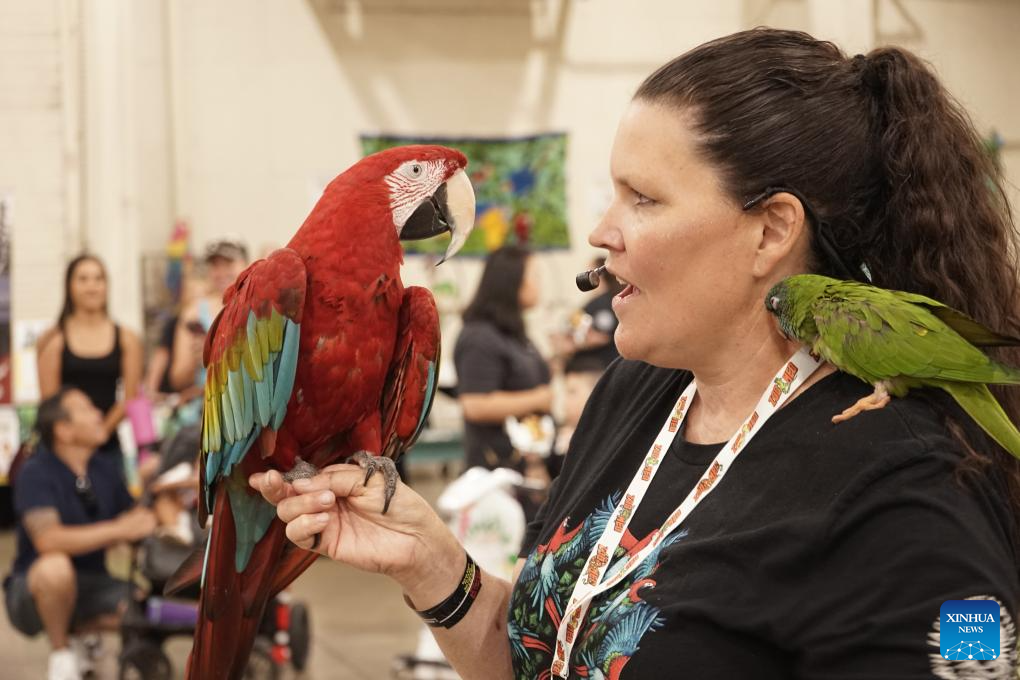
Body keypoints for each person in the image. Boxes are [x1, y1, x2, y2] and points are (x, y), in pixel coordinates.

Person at [249, 28, 1020, 679]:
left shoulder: (904, 489)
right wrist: (432, 565)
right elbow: (544, 655)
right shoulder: (638, 393)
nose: (600, 230)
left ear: (771, 231)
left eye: (642, 199)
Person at [3, 388, 156, 680]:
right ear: (63, 429)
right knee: (55, 568)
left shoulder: (105, 469)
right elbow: (48, 540)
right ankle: (62, 656)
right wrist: (119, 530)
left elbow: (132, 519)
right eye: (87, 409)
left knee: (144, 606)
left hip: (93, 584)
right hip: (33, 589)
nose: (99, 413)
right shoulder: (35, 471)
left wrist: (155, 488)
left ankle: (80, 633)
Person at [37, 255, 143, 468]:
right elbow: (50, 403)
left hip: (107, 444)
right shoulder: (53, 340)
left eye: (98, 279)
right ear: (69, 286)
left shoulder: (127, 339)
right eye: (83, 279)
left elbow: (130, 398)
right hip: (63, 446)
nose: (91, 286)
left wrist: (101, 431)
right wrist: (78, 435)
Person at [453, 245, 553, 473]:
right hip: (495, 468)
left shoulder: (511, 331)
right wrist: (538, 398)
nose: (538, 284)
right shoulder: (480, 336)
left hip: (526, 462)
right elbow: (474, 404)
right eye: (533, 276)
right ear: (512, 281)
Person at [168, 238, 248, 394]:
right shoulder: (194, 313)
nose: (221, 272)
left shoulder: (260, 308)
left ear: (246, 264)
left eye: (228, 263)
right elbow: (177, 380)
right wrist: (197, 359)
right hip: (206, 407)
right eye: (215, 265)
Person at [550, 256, 624, 370]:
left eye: (590, 271)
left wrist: (572, 344)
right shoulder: (597, 301)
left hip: (598, 366)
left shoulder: (604, 302)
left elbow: (601, 336)